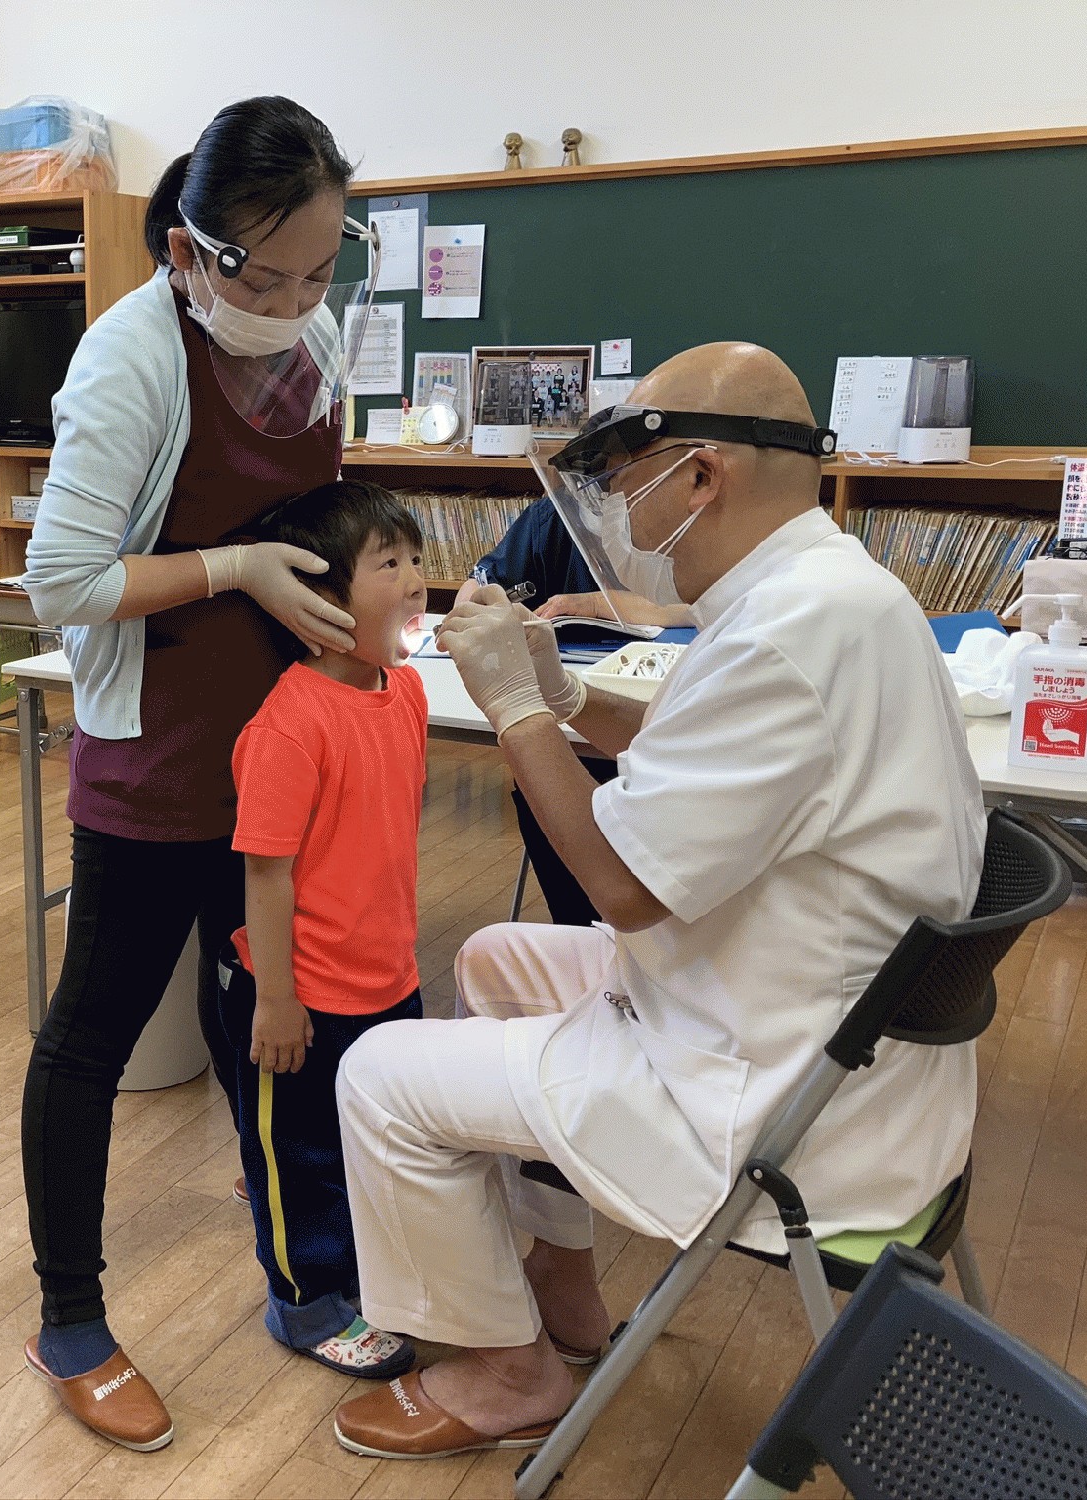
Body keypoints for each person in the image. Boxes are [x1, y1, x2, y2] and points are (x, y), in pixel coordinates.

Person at [330, 343, 985, 1459]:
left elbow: (622, 888)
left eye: (625, 481)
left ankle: (507, 1374)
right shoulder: (825, 591)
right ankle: (562, 1286)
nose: (617, 514)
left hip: (782, 1099)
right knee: (495, 958)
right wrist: (563, 694)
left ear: (699, 477)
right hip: (821, 1022)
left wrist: (510, 707)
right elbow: (694, 751)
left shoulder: (784, 634)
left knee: (377, 1077)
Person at [19, 96, 377, 1451]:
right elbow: (62, 580)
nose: (290, 305)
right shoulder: (132, 358)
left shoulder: (313, 340)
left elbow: (308, 510)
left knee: (270, 1017)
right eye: (261, 277)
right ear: (186, 251)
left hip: (280, 745)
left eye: (317, 272)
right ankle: (70, 1315)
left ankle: (304, 1270)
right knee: (93, 1035)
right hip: (159, 754)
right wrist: (234, 570)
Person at [216, 480, 430, 1381]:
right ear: (320, 603)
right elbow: (265, 873)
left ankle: (365, 1276)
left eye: (416, 558)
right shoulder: (290, 726)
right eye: (390, 564)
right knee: (295, 1160)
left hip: (388, 979)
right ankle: (303, 1303)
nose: (416, 579)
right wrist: (277, 1000)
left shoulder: (405, 692)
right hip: (297, 995)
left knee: (370, 1146)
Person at [454, 500, 692, 927]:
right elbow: (677, 744)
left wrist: (520, 708)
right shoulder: (554, 518)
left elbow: (628, 899)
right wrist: (566, 695)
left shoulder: (761, 630)